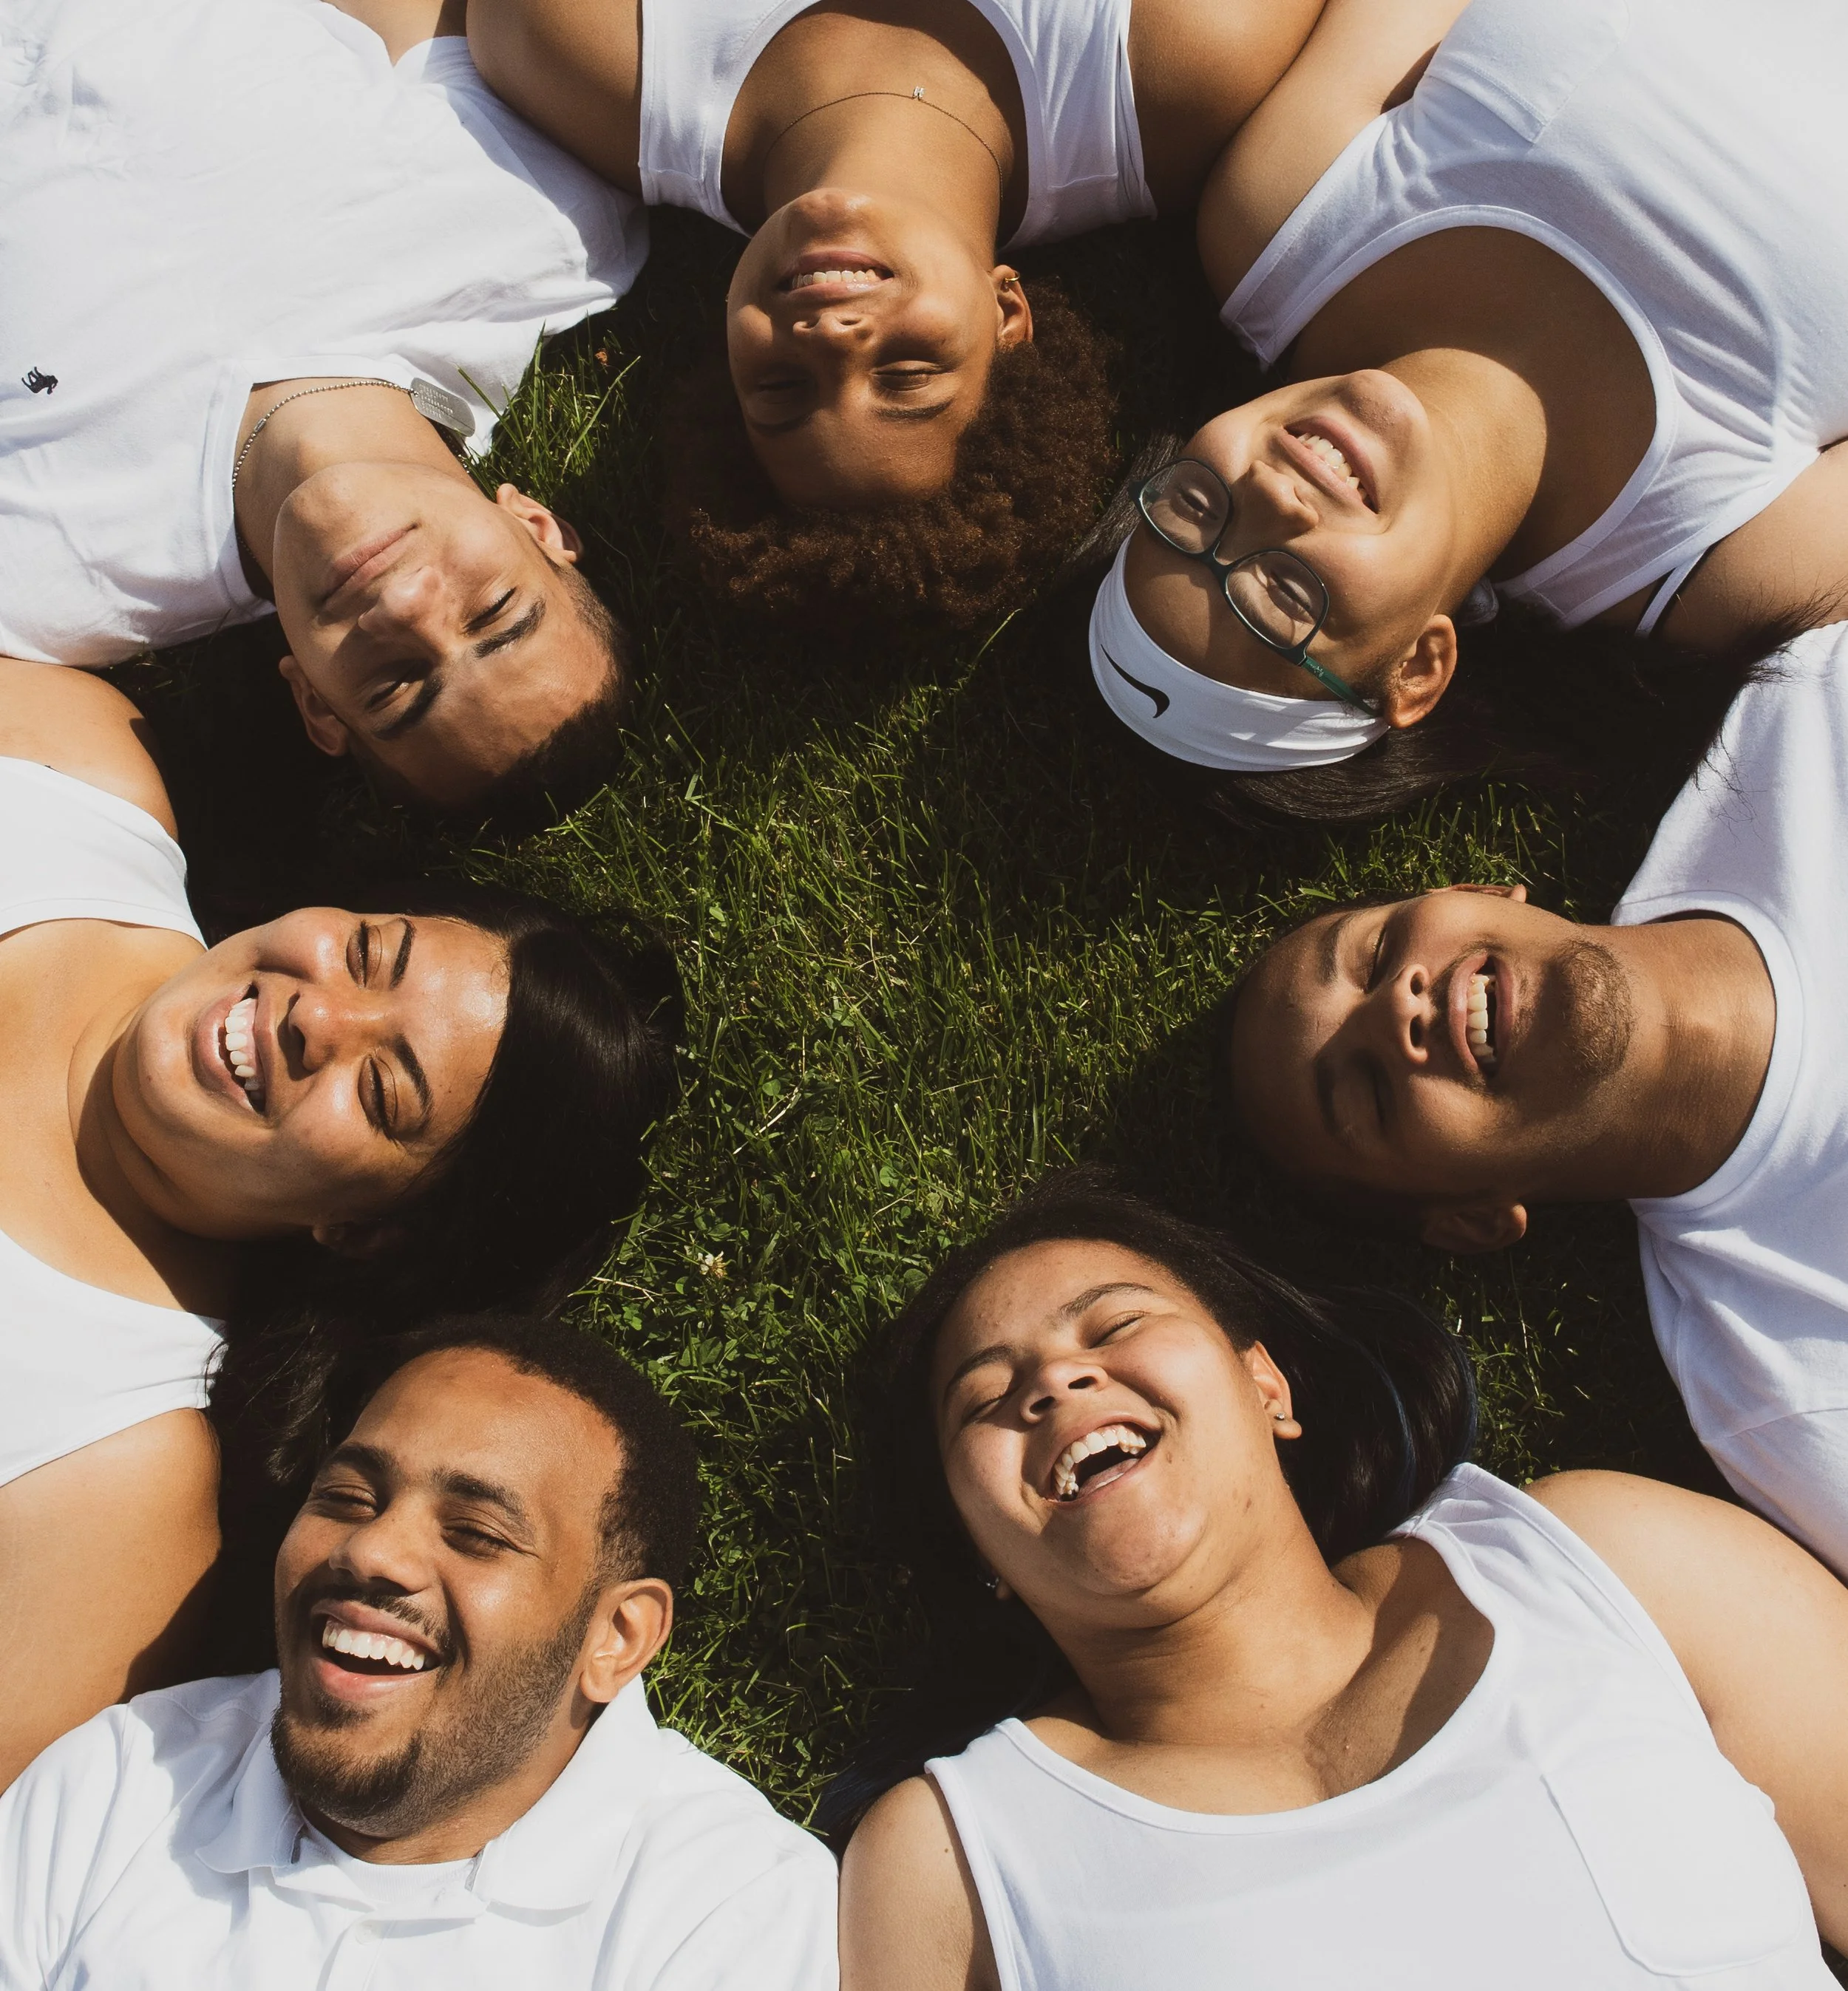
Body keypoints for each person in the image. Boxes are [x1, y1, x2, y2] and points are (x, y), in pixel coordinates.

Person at [832, 1171, 1848, 1987]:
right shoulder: (951, 1868)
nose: (1054, 1381)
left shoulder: (1610, 1560)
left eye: (1115, 1325)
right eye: (987, 1398)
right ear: (979, 1553)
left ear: (1267, 1386)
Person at [0, 658, 679, 1786]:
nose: (318, 1016)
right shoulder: (75, 776)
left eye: (382, 1094)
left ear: (365, 1229)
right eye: (371, 951)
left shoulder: (113, 1494)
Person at [467, 0, 1468, 626]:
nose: (830, 337)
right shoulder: (1173, 57)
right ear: (1007, 315)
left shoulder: (581, 52)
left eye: (780, 386)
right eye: (905, 377)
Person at [1090, 0, 1848, 821]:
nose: (1269, 497)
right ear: (1417, 666)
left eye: (1195, 509)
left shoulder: (1281, 219)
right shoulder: (1722, 568)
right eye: (1285, 593)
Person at [1218, 616, 1848, 1579]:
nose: (1398, 1009)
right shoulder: (1783, 1389)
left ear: (1479, 891)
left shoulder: (1806, 731)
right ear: (1471, 1219)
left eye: (1379, 954)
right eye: (1371, 1093)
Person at [0, 1315, 840, 1988]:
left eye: (476, 1534)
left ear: (614, 1640)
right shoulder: (122, 1783)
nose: (371, 1553)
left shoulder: (725, 1906)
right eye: (347, 1496)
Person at [0, 0, 650, 816]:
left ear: (313, 701)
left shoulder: (51, 584)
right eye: (493, 612)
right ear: (537, 526)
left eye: (393, 688)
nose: (406, 606)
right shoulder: (539, 237)